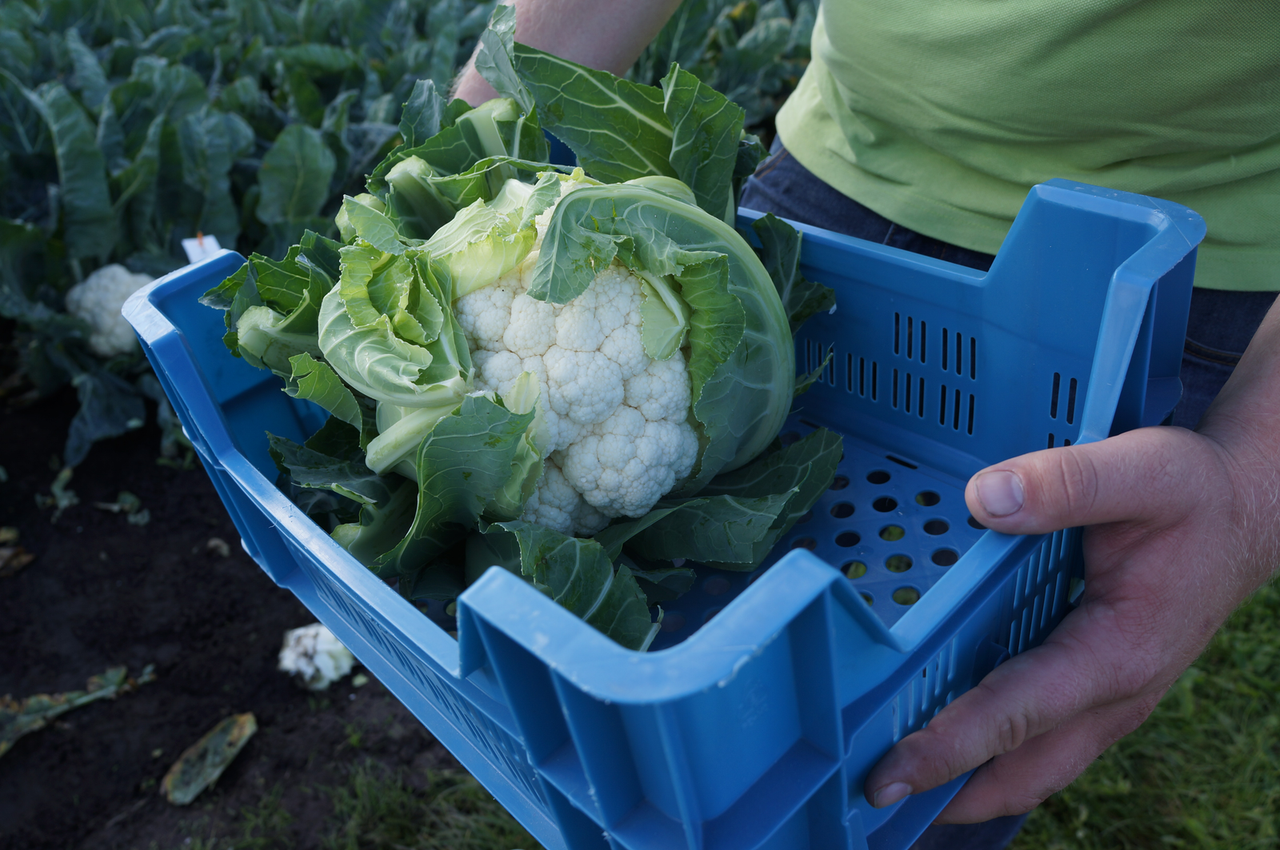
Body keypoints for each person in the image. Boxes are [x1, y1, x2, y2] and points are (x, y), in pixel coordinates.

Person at [453, 2, 1280, 847]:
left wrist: (1253, 486)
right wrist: (464, 137)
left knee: (947, 748)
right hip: (828, 169)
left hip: (1153, 270)